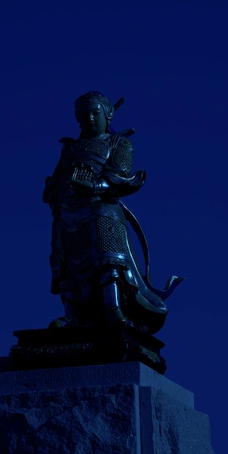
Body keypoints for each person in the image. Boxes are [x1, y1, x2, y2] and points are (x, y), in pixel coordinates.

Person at [43, 91, 181, 333]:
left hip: (101, 211)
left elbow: (120, 176)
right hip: (66, 215)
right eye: (84, 114)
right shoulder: (70, 148)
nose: (89, 118)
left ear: (108, 115)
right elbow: (57, 177)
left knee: (108, 262)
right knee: (66, 268)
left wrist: (95, 187)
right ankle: (73, 316)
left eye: (95, 113)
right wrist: (52, 190)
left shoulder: (118, 144)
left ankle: (113, 307)